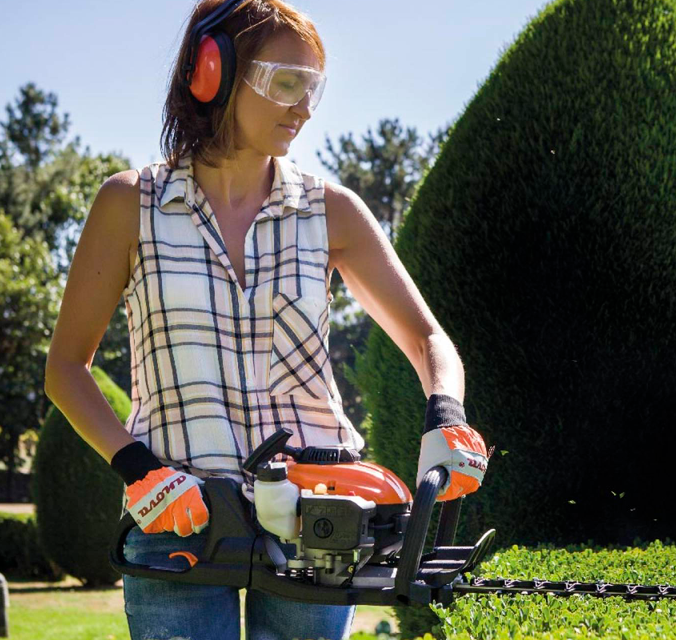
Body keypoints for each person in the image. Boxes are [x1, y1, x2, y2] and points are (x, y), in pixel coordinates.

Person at [43, 1, 490, 638]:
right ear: (212, 72)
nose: (305, 106)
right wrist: (138, 468)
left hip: (320, 522)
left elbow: (428, 338)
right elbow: (66, 368)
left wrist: (446, 412)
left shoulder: (330, 210)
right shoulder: (130, 205)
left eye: (314, 88)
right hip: (179, 520)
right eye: (286, 82)